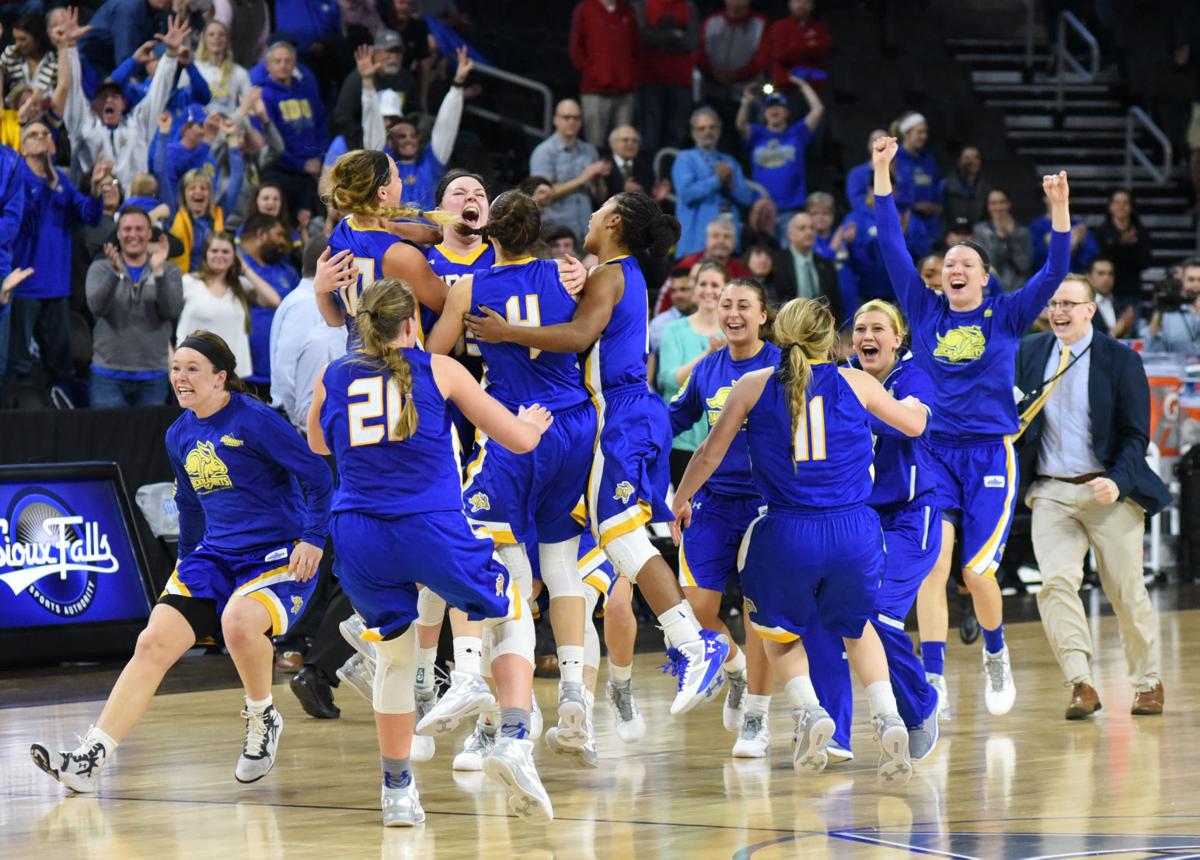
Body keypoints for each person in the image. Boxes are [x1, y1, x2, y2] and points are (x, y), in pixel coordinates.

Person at [465, 191, 732, 716]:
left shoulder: (611, 274)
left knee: (620, 534)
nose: (585, 217)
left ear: (613, 222)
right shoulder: (611, 271)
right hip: (624, 410)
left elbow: (580, 333)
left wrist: (505, 332)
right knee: (614, 538)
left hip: (621, 410)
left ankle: (696, 643)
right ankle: (691, 644)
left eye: (595, 211)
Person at [32, 330, 332, 792]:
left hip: (276, 554)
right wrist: (185, 567)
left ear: (221, 378)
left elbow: (317, 473)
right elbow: (190, 507)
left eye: (193, 369)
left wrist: (313, 537)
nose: (181, 377)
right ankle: (91, 757)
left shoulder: (256, 421)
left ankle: (262, 717)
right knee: (153, 641)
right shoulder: (179, 433)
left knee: (237, 621)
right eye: (176, 368)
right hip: (214, 556)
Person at [308, 277, 555, 825]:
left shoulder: (333, 374)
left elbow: (317, 443)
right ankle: (513, 736)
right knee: (510, 605)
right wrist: (534, 426)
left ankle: (397, 792)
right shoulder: (440, 369)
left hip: (357, 533)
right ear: (413, 323)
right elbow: (515, 439)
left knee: (394, 659)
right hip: (426, 525)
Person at [670, 297, 928, 782]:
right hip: (856, 531)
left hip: (788, 531)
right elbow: (914, 424)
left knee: (777, 631)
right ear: (831, 340)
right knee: (857, 627)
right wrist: (913, 405)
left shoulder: (753, 384)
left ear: (780, 335)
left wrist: (681, 498)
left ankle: (809, 711)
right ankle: (888, 716)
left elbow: (706, 453)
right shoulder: (857, 381)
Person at [874, 136, 1073, 719]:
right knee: (933, 564)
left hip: (989, 454)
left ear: (985, 279)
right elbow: (890, 241)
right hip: (932, 451)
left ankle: (995, 650)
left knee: (975, 570)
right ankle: (932, 676)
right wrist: (883, 172)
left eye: (967, 264)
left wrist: (1058, 209)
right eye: (949, 264)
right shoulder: (924, 308)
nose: (955, 268)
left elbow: (1056, 266)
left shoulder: (1007, 313)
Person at [426, 189, 600, 764]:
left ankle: (490, 698)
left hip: (513, 425)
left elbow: (434, 357)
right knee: (561, 555)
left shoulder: (470, 288)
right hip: (574, 423)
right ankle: (573, 686)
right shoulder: (569, 274)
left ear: (491, 235)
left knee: (493, 561)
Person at [1016, 275, 1171, 719]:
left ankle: (1147, 682)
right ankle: (1080, 683)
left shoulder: (1119, 360)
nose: (1058, 311)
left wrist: (1118, 482)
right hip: (1050, 491)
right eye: (1053, 303)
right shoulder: (1029, 352)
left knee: (1125, 591)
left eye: (1069, 303)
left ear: (1091, 308)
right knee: (1055, 584)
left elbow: (1134, 433)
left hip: (1107, 491)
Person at [812, 300, 943, 762]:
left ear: (897, 339)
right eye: (860, 328)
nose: (867, 335)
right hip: (857, 520)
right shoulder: (843, 373)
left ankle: (921, 705)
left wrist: (850, 409)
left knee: (880, 617)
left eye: (878, 329)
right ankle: (835, 735)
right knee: (829, 618)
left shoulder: (915, 377)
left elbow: (910, 424)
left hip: (911, 518)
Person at [666, 278, 778, 756]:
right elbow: (675, 419)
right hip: (713, 504)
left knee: (759, 615)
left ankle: (757, 714)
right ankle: (731, 667)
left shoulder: (781, 365)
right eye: (726, 304)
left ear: (762, 316)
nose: (733, 312)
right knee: (694, 611)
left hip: (768, 506)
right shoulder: (708, 368)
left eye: (744, 306)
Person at [7, 121, 108, 391]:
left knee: (61, 363)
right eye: (33, 135)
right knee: (18, 362)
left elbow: (89, 215)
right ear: (23, 147)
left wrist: (96, 190)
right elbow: (24, 224)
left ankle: (60, 418)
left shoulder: (61, 180)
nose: (41, 138)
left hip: (57, 284)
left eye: (45, 135)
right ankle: (14, 418)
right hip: (25, 285)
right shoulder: (16, 179)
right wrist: (48, 187)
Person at [319, 150, 450, 349]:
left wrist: (438, 234)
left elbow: (335, 320)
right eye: (397, 177)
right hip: (401, 366)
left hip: (358, 360)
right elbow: (450, 307)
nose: (401, 182)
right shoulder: (400, 256)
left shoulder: (342, 230)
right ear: (382, 192)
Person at [64, 12, 190, 190]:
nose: (109, 100)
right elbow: (73, 90)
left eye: (115, 96)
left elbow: (157, 93)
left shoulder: (138, 125)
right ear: (93, 105)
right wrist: (69, 48)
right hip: (94, 208)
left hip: (132, 209)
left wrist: (170, 56)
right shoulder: (83, 125)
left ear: (123, 104)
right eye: (103, 97)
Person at [86, 207, 183, 407]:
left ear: (149, 233)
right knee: (108, 439)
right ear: (119, 233)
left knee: (149, 439)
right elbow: (97, 308)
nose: (133, 235)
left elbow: (171, 310)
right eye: (127, 229)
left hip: (153, 375)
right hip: (108, 374)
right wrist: (113, 275)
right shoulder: (100, 268)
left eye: (139, 229)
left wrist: (158, 273)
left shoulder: (169, 270)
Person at [361, 46, 473, 210]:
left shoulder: (431, 161)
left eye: (413, 135)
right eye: (402, 136)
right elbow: (371, 127)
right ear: (390, 142)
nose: (409, 140)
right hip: (394, 233)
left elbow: (446, 125)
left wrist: (457, 84)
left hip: (430, 233)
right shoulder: (384, 164)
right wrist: (368, 84)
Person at [658, 260, 726, 483]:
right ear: (695, 290)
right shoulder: (674, 330)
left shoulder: (734, 333)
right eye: (703, 284)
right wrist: (707, 354)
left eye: (715, 285)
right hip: (682, 441)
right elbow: (669, 381)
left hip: (723, 442)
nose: (708, 290)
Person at [735, 75, 824, 226]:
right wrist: (746, 102)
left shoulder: (797, 133)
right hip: (762, 208)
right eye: (770, 107)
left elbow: (817, 110)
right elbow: (740, 125)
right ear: (764, 113)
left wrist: (803, 85)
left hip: (790, 208)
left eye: (779, 106)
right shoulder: (757, 134)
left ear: (787, 112)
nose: (774, 110)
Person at [256, 41, 329, 222]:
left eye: (287, 61)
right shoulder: (264, 95)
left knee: (311, 224)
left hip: (310, 174)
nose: (283, 65)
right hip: (279, 172)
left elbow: (321, 125)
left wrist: (319, 158)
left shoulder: (307, 89)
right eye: (277, 61)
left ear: (295, 63)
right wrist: (301, 164)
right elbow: (271, 141)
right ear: (268, 65)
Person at [672, 107, 755, 258]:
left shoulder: (729, 161)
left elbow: (747, 198)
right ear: (693, 133)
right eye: (701, 128)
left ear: (719, 130)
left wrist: (730, 185)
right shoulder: (686, 158)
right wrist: (717, 180)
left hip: (729, 249)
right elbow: (686, 194)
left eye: (712, 127)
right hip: (695, 248)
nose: (707, 132)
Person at [529, 99, 608, 242]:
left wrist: (597, 182)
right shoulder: (544, 152)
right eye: (566, 117)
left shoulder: (589, 151)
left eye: (576, 118)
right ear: (556, 120)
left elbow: (600, 197)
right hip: (556, 231)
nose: (572, 121)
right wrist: (582, 179)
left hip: (585, 227)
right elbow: (541, 196)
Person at [269, 237, 327, 429]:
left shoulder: (303, 300)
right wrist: (301, 424)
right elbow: (285, 367)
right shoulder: (307, 305)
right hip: (297, 423)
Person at [178, 233, 255, 375]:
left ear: (234, 256)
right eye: (214, 251)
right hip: (192, 371)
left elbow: (273, 300)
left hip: (232, 374)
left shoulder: (241, 286)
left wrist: (244, 268)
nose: (219, 255)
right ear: (206, 254)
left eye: (225, 252)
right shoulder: (188, 282)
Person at [568, 0, 639, 147]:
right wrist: (595, 73)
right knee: (595, 144)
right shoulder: (585, 10)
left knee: (624, 144)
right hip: (595, 91)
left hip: (624, 92)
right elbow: (576, 50)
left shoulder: (628, 12)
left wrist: (630, 76)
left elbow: (636, 49)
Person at [238, 213, 297, 387]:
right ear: (261, 235)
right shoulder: (231, 265)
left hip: (283, 373)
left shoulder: (288, 271)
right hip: (245, 374)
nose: (284, 242)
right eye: (278, 235)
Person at [334, 31, 417, 149]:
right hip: (363, 144)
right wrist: (362, 146)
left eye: (398, 51)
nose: (393, 56)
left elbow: (414, 112)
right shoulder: (358, 79)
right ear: (375, 52)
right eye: (388, 51)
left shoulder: (406, 80)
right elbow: (342, 117)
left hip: (398, 145)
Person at [635, 0, 698, 155]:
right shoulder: (643, 6)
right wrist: (674, 35)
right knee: (649, 136)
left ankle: (672, 175)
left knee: (676, 135)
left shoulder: (688, 6)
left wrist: (658, 38)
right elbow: (643, 38)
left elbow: (691, 42)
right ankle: (650, 176)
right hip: (650, 79)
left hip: (680, 80)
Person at [168, 165, 244, 272]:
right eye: (192, 188)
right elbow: (160, 172)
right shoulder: (174, 216)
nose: (198, 192)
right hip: (183, 282)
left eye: (203, 188)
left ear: (210, 194)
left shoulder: (219, 214)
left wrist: (234, 149)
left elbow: (237, 178)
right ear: (184, 194)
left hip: (215, 280)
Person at [772, 211, 842, 318]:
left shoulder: (826, 265)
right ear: (790, 234)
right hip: (788, 326)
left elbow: (835, 304)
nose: (809, 232)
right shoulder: (776, 262)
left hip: (822, 327)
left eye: (812, 228)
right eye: (802, 228)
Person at [77, 0, 172, 76]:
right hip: (87, 68)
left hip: (111, 66)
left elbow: (156, 50)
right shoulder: (129, 7)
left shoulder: (161, 12)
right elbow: (124, 60)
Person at [756, 0, 831, 91]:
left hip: (815, 85)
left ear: (812, 6)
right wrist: (809, 46)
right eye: (797, 1)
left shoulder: (820, 27)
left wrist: (796, 47)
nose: (801, 5)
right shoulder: (779, 26)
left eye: (806, 2)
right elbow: (781, 55)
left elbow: (823, 53)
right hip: (786, 85)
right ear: (790, 4)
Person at [892, 112, 943, 240]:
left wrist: (937, 205)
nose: (924, 136)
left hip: (930, 223)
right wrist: (913, 204)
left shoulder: (929, 160)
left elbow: (936, 186)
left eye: (926, 132)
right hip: (904, 220)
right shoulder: (893, 158)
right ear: (906, 133)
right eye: (919, 132)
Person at [1095, 189, 1152, 301]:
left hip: (1132, 291)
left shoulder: (1141, 233)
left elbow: (1146, 262)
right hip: (1105, 292)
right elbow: (1098, 261)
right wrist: (1119, 243)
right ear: (1110, 206)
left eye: (1125, 202)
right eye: (1117, 202)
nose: (1121, 206)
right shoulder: (1100, 233)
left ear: (1131, 207)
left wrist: (1133, 245)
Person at [972, 189, 1032, 293]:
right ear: (987, 206)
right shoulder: (980, 231)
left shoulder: (1022, 232)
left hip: (1017, 291)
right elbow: (988, 264)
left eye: (1002, 202)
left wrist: (1010, 237)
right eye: (993, 203)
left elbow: (1024, 266)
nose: (998, 207)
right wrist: (998, 237)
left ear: (1009, 204)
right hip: (989, 291)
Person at [193, 20, 251, 116]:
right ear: (204, 39)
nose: (216, 38)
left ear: (227, 40)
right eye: (211, 34)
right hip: (199, 125)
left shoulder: (240, 72)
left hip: (228, 126)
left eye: (221, 35)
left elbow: (248, 104)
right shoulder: (193, 68)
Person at [1030, 194, 1097, 275]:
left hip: (1074, 278)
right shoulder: (1036, 227)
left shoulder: (1078, 227)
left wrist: (1080, 243)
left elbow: (1092, 258)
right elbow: (1034, 259)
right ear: (1045, 198)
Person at [1146, 257, 1200, 353]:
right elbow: (1152, 351)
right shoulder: (1167, 315)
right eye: (1191, 280)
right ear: (1182, 281)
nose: (1196, 285)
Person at [2, 14, 57, 94]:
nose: (17, 44)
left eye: (22, 39)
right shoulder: (11, 53)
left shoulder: (54, 58)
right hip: (15, 106)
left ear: (37, 38)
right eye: (15, 39)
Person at [601, 124, 658, 199]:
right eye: (625, 140)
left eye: (635, 141)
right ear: (612, 144)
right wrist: (621, 189)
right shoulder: (602, 166)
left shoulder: (645, 168)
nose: (630, 144)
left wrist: (657, 198)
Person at [941, 145, 991, 228]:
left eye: (976, 157)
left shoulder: (986, 188)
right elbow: (939, 214)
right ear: (959, 161)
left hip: (977, 235)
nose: (972, 161)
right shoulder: (945, 185)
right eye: (967, 158)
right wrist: (947, 233)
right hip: (951, 234)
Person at [649, 264, 696, 353]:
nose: (678, 295)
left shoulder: (710, 319)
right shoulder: (659, 324)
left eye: (684, 289)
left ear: (697, 289)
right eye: (674, 291)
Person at [1086, 256, 1135, 338]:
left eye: (1110, 274)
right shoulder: (1081, 306)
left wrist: (1127, 330)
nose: (1106, 278)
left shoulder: (1121, 304)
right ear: (1088, 277)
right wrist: (1114, 333)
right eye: (1100, 273)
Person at [846, 128, 887, 214]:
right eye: (875, 140)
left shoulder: (900, 171)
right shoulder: (856, 174)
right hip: (867, 218)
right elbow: (856, 203)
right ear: (868, 145)